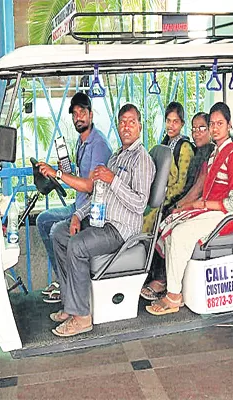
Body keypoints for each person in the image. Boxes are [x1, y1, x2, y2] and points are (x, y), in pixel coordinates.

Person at [50, 104, 155, 337]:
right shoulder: (117, 156)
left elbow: (140, 204)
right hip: (100, 221)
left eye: (131, 122)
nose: (126, 127)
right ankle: (71, 305)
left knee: (77, 245)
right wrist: (78, 214)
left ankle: (82, 318)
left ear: (140, 125)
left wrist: (113, 179)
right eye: (122, 122)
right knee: (59, 232)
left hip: (120, 230)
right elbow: (100, 193)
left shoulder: (142, 160)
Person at [146, 102, 233, 316]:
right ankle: (175, 289)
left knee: (181, 233)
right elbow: (201, 187)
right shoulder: (214, 154)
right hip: (210, 212)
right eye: (212, 124)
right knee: (170, 227)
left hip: (225, 215)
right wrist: (184, 207)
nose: (215, 128)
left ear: (229, 125)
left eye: (220, 123)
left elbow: (232, 204)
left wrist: (199, 205)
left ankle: (173, 296)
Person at [36, 92, 112, 303]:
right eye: (75, 113)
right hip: (77, 204)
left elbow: (89, 186)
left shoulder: (99, 145)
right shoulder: (82, 141)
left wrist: (58, 174)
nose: (78, 117)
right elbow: (79, 176)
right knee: (42, 220)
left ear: (91, 115)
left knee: (55, 230)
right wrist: (63, 170)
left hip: (91, 211)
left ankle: (67, 284)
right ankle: (63, 280)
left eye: (82, 112)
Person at [140, 112, 215, 301]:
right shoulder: (197, 150)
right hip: (190, 201)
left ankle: (162, 280)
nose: (197, 133)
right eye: (195, 129)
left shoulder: (208, 152)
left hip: (204, 206)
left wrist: (178, 205)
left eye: (202, 128)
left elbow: (197, 188)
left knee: (166, 220)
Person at [141, 102, 194, 233]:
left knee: (144, 221)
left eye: (175, 121)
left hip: (169, 199)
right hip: (156, 195)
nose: (171, 125)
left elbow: (181, 185)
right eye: (168, 121)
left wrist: (160, 196)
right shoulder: (165, 144)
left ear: (182, 124)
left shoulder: (185, 148)